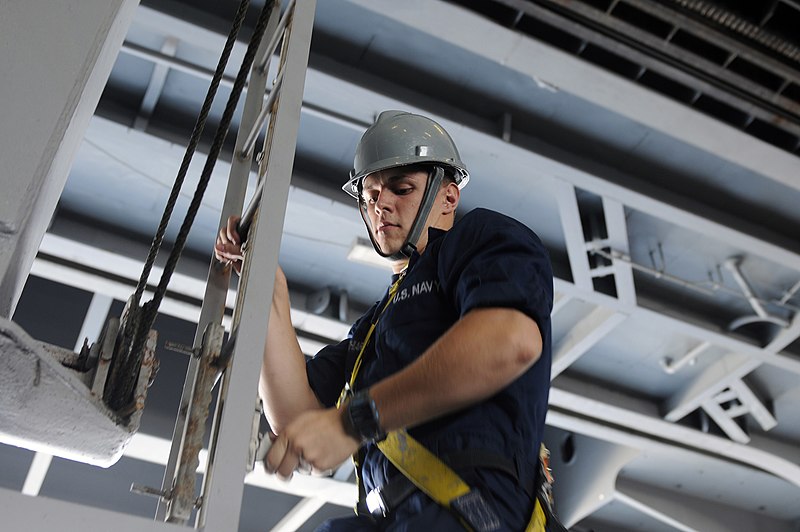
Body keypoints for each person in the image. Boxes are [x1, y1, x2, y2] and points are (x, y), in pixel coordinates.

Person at [215, 110, 554, 531]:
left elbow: (509, 342)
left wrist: (353, 421)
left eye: (402, 188)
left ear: (449, 197)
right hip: (391, 519)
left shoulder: (480, 242)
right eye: (371, 194)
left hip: (466, 516)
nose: (382, 204)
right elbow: (296, 420)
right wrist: (264, 283)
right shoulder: (370, 332)